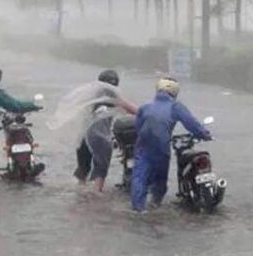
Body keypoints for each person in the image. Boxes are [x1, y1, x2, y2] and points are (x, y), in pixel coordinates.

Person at [131, 76, 211, 212]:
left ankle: (138, 210)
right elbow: (191, 124)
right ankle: (155, 206)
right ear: (175, 92)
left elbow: (137, 128)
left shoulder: (145, 107)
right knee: (160, 180)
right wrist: (205, 135)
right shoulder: (175, 107)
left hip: (143, 147)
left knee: (139, 178)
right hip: (161, 148)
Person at [74, 69, 138, 192]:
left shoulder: (91, 95)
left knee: (83, 166)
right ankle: (97, 194)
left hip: (83, 135)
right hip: (98, 136)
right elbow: (133, 109)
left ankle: (80, 195)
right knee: (101, 167)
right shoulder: (111, 96)